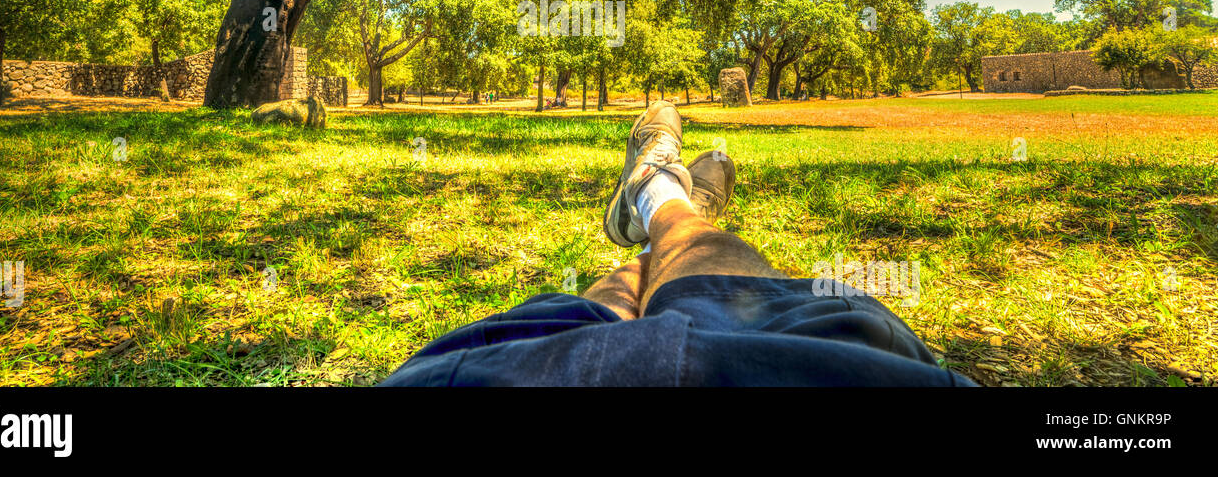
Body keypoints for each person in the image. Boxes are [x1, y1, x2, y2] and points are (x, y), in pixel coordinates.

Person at [379, 101, 975, 386]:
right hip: (834, 367)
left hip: (495, 375)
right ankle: (671, 208)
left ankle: (659, 203)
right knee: (750, 305)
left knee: (578, 319)